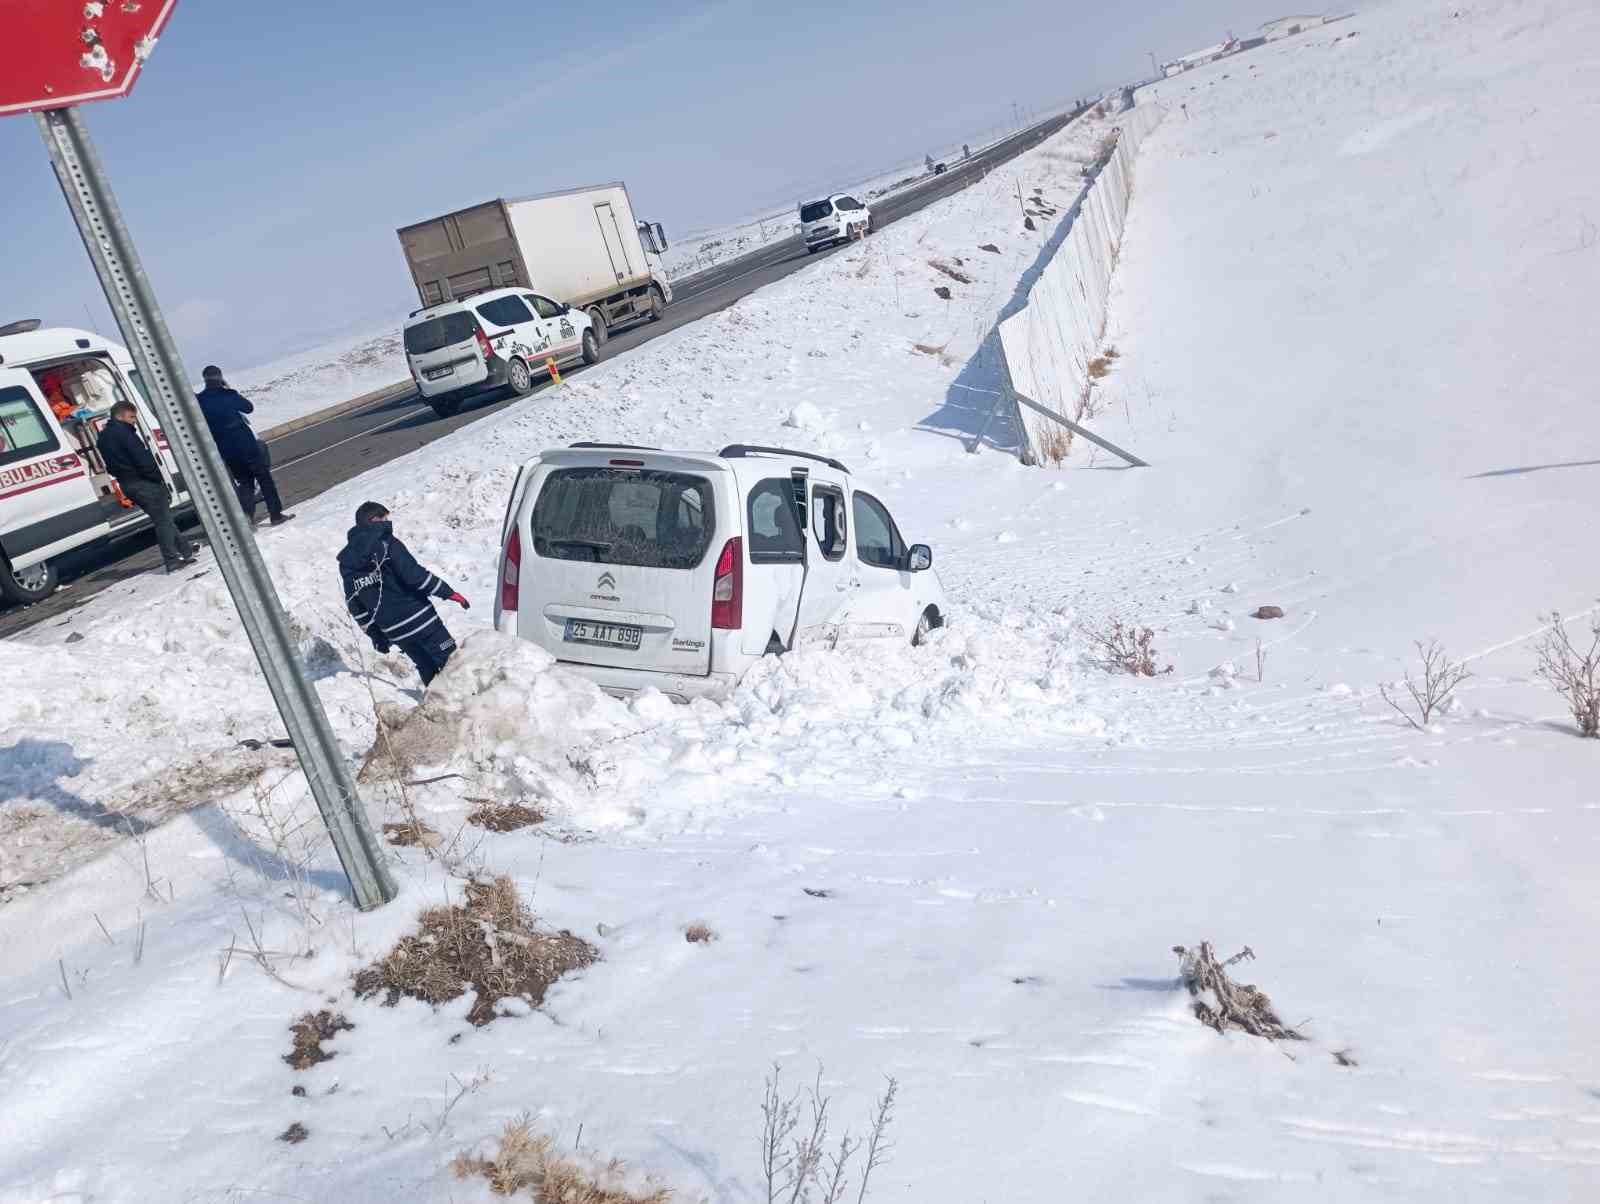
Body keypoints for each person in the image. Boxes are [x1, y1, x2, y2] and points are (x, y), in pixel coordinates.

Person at [338, 501, 469, 686]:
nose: (387, 522)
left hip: (395, 631)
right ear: (374, 520)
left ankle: (438, 708)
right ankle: (467, 704)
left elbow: (355, 604)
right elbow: (414, 576)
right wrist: (449, 593)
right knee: (452, 663)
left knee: (426, 667)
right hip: (421, 621)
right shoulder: (387, 543)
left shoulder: (347, 561)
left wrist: (377, 635)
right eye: (384, 518)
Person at [96, 401, 197, 573]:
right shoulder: (126, 434)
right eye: (132, 417)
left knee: (163, 518)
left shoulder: (103, 438)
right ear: (120, 416)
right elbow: (142, 459)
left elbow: (110, 466)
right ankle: (171, 559)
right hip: (144, 482)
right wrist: (157, 479)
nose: (134, 421)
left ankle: (185, 550)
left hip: (127, 484)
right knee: (163, 521)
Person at [196, 365, 293, 527]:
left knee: (245, 482)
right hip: (245, 443)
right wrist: (229, 389)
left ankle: (247, 517)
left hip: (227, 449)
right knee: (264, 478)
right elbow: (249, 408)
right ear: (220, 377)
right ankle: (275, 514)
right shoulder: (228, 394)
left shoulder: (200, 400)